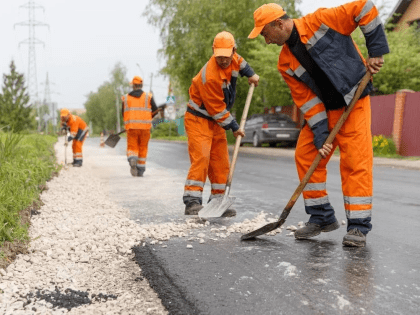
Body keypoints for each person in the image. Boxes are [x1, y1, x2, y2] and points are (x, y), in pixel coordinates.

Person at [248, 1, 389, 247]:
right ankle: (321, 216)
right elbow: (308, 102)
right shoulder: (285, 62)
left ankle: (357, 227)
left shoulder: (321, 21)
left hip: (353, 103)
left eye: (265, 33)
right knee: (305, 154)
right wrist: (322, 134)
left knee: (356, 162)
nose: (265, 40)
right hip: (327, 110)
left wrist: (376, 50)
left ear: (279, 24)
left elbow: (364, 8)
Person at [183, 31, 260, 216]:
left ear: (233, 50)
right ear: (213, 51)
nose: (224, 60)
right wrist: (235, 127)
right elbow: (216, 109)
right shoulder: (209, 76)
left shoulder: (234, 58)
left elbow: (240, 63)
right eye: (220, 56)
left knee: (220, 162)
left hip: (215, 121)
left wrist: (251, 74)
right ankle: (192, 202)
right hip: (199, 119)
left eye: (227, 55)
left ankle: (217, 203)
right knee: (202, 158)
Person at [122, 76, 160, 177]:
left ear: (133, 86)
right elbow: (156, 110)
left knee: (132, 146)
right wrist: (148, 116)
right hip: (145, 128)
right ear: (141, 85)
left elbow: (123, 113)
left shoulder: (125, 98)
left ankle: (133, 159)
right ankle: (140, 169)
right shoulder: (148, 96)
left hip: (131, 127)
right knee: (143, 147)